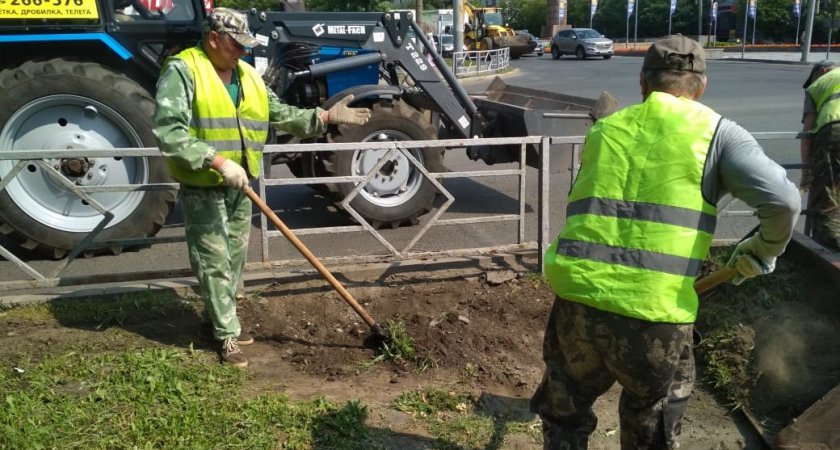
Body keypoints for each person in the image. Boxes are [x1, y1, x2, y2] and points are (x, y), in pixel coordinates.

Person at [530, 35, 800, 450]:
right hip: (654, 318)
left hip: (577, 303)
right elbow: (782, 200)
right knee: (649, 417)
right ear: (702, 85)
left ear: (643, 82)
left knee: (565, 415)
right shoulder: (718, 135)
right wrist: (763, 251)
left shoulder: (606, 129)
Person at [153, 7, 370, 368]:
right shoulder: (184, 70)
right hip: (205, 184)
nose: (242, 51)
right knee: (213, 261)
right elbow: (169, 132)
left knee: (235, 259)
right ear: (213, 39)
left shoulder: (247, 75)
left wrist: (326, 117)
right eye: (235, 44)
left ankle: (218, 322)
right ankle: (226, 336)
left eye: (244, 45)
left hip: (241, 185)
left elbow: (280, 113)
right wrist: (218, 162)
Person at [800, 60, 840, 248]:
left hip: (833, 131)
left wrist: (806, 170)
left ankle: (827, 253)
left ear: (822, 71)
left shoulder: (818, 85)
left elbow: (808, 132)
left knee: (826, 197)